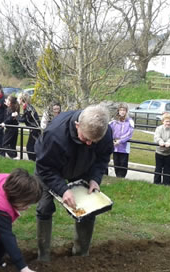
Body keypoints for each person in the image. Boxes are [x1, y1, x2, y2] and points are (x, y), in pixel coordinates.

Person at [35, 104, 113, 261]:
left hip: (84, 167)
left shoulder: (104, 131)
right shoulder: (55, 134)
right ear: (78, 125)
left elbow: (103, 158)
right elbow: (45, 168)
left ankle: (81, 254)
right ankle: (43, 257)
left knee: (89, 207)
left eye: (94, 141)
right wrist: (62, 189)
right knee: (44, 207)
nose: (90, 144)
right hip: (51, 167)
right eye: (85, 138)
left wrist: (94, 179)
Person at [109, 103, 134, 178]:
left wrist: (121, 140)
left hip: (124, 147)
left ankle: (122, 177)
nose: (122, 112)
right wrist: (112, 140)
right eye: (121, 110)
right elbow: (109, 130)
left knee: (123, 163)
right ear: (118, 111)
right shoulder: (114, 121)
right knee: (116, 162)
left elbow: (130, 133)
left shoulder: (130, 121)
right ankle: (117, 177)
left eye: (124, 110)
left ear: (126, 111)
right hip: (115, 146)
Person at [153, 112, 170, 186]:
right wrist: (160, 142)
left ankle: (166, 184)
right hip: (159, 152)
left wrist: (169, 142)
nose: (168, 123)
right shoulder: (159, 128)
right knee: (158, 168)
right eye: (166, 121)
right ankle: (156, 183)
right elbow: (156, 137)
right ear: (163, 121)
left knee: (168, 170)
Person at [18, 92, 40, 161]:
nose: (18, 100)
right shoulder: (27, 107)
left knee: (30, 147)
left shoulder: (28, 108)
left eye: (18, 99)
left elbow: (22, 119)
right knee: (32, 147)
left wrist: (16, 116)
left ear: (21, 99)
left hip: (35, 130)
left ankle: (33, 161)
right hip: (34, 129)